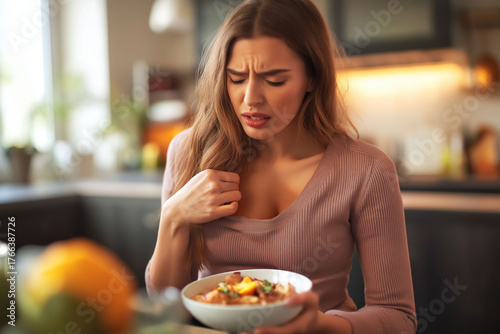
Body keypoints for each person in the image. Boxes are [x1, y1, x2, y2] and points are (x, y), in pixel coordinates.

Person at [146, 0, 416, 333]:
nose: (251, 97)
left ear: (312, 78)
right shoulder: (188, 151)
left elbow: (398, 317)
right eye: (236, 78)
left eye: (274, 80)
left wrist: (321, 327)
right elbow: (165, 301)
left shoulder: (367, 170)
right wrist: (174, 216)